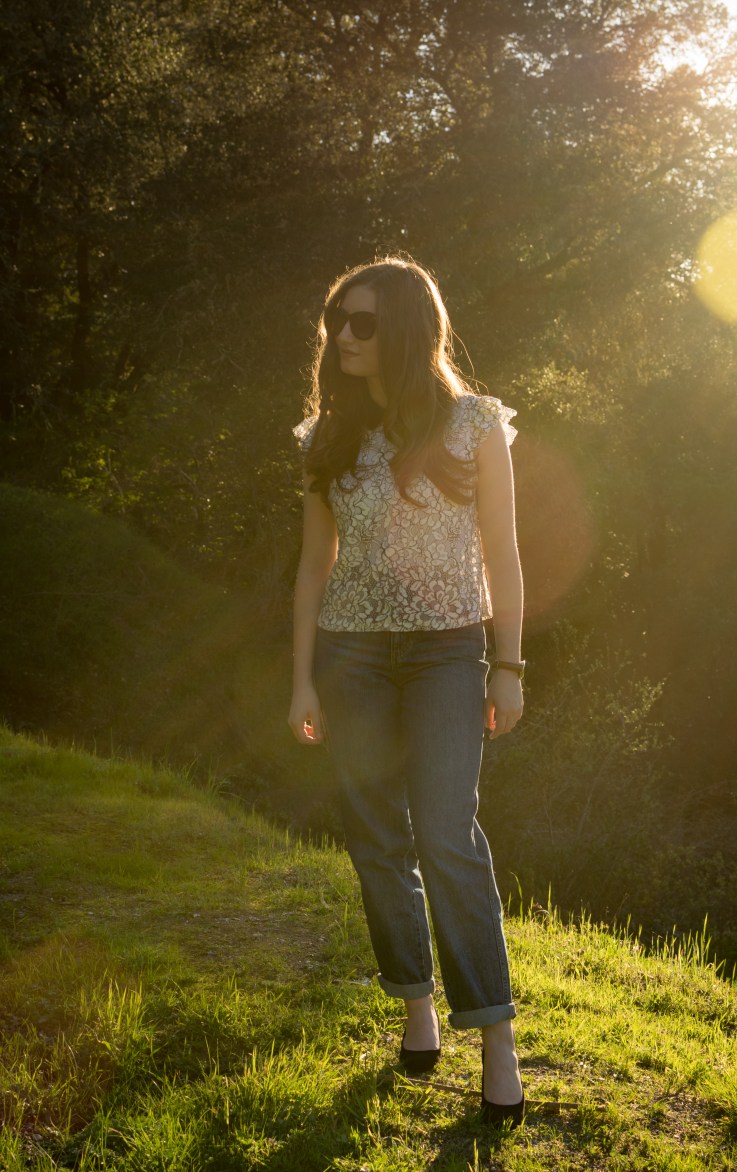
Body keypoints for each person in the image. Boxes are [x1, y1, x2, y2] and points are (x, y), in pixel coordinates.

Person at [288, 255, 525, 1125]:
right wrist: (302, 682)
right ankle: (417, 1008)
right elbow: (314, 568)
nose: (342, 336)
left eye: (362, 321)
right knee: (376, 839)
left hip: (448, 654)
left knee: (447, 834)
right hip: (350, 659)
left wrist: (510, 665)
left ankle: (496, 1040)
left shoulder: (474, 425)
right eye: (336, 321)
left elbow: (504, 557)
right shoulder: (327, 438)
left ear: (407, 327)